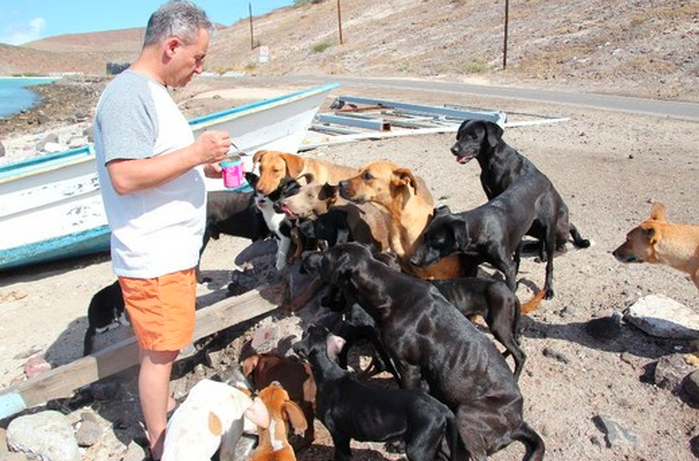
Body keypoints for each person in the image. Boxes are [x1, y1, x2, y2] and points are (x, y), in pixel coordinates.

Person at [93, 1, 231, 458]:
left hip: (168, 251)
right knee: (160, 353)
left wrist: (199, 171)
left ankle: (161, 410)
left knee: (165, 344)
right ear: (172, 46)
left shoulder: (149, 92)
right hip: (153, 254)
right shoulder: (129, 95)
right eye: (197, 59)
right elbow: (126, 176)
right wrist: (195, 154)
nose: (198, 69)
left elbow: (152, 163)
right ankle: (159, 441)